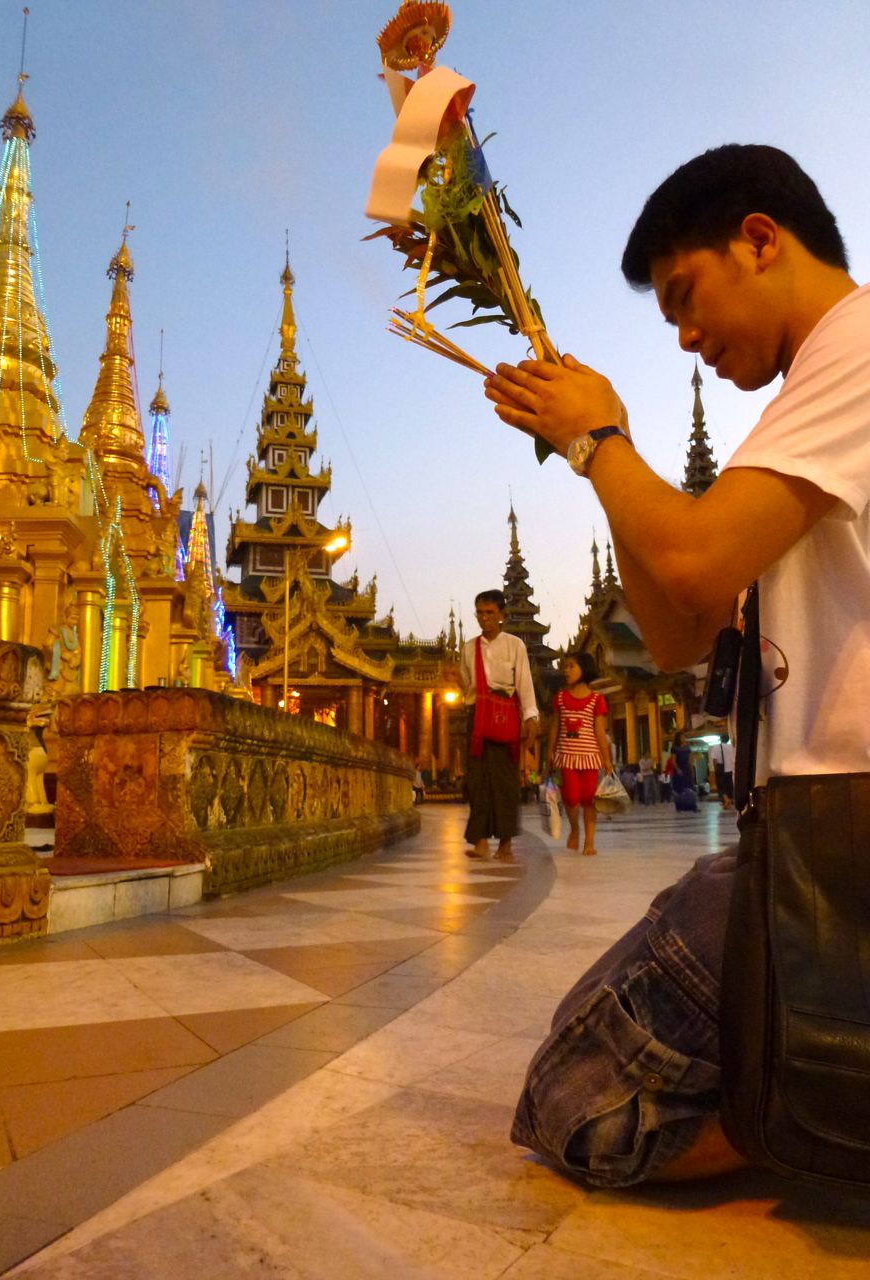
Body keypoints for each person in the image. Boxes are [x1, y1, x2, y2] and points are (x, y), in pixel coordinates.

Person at [484, 143, 867, 1187]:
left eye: (687, 298)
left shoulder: (861, 347)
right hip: (807, 842)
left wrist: (602, 435)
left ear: (760, 240)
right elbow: (678, 637)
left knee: (581, 1108)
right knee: (585, 1043)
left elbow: (692, 561)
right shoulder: (806, 405)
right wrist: (598, 452)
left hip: (852, 851)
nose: (689, 337)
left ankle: (814, 1149)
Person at [460, 589, 539, 861]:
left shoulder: (514, 645)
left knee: (505, 783)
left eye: (490, 613)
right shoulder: (469, 648)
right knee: (477, 781)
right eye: (480, 613)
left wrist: (530, 716)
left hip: (505, 716)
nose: (485, 619)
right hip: (477, 718)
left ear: (501, 615)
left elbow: (524, 683)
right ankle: (480, 841)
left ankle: (505, 844)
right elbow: (466, 686)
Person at [548, 652, 614, 856]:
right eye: (565, 667)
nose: (566, 671)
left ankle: (590, 842)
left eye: (571, 666)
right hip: (567, 755)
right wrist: (549, 751)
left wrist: (606, 759)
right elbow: (555, 726)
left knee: (589, 799)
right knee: (571, 797)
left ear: (584, 669)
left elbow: (599, 731)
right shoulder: (560, 698)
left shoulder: (596, 700)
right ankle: (575, 829)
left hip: (590, 757)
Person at [711, 734, 736, 808]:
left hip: (721, 770)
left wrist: (716, 769)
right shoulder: (731, 747)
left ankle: (726, 800)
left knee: (721, 787)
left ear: (720, 739)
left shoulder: (715, 747)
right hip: (730, 770)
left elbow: (714, 760)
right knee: (729, 787)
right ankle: (728, 802)